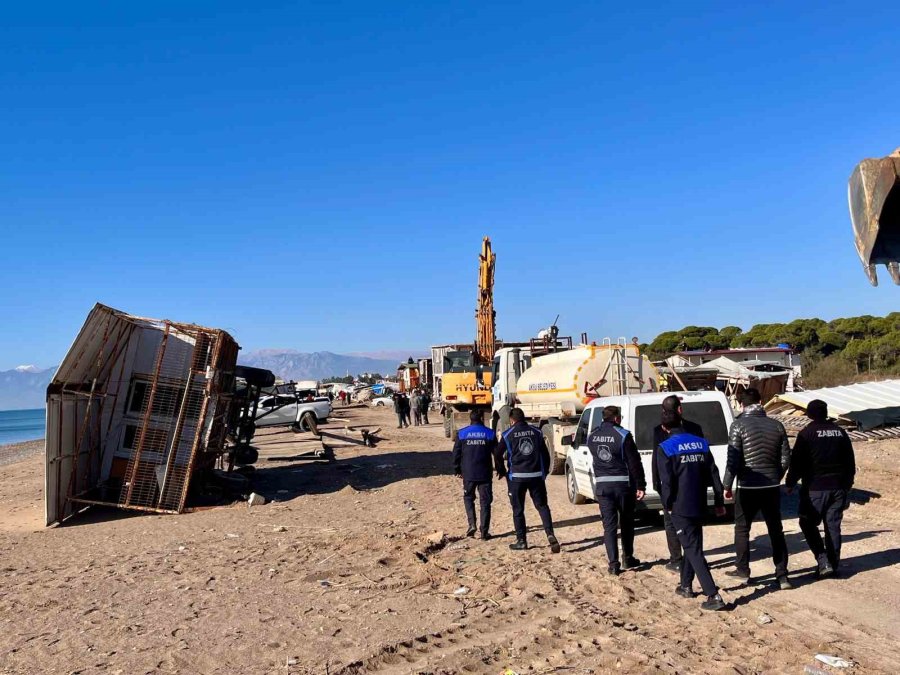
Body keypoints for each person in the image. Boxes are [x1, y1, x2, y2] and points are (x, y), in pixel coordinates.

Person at [657, 408, 727, 611]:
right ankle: (686, 585)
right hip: (700, 502)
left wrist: (667, 504)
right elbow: (714, 473)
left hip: (680, 505)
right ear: (682, 421)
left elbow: (667, 481)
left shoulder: (665, 447)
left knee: (693, 549)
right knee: (692, 544)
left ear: (664, 427)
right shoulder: (701, 443)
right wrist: (719, 501)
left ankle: (713, 595)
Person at [723, 388, 792, 590]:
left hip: (747, 486)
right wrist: (775, 476)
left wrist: (727, 484)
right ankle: (782, 575)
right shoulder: (777, 425)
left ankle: (743, 570)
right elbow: (786, 458)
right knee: (776, 530)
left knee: (742, 528)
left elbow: (733, 460)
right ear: (761, 401)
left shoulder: (738, 426)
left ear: (742, 405)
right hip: (771, 486)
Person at [785, 400, 856, 577]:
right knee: (833, 526)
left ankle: (823, 561)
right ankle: (833, 565)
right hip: (838, 487)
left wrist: (790, 483)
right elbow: (850, 461)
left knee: (807, 523)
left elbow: (797, 462)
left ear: (809, 414)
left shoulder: (807, 433)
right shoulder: (840, 432)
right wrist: (847, 484)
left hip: (815, 489)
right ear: (826, 413)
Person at [588, 405, 646, 575]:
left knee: (609, 526)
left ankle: (613, 564)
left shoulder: (592, 436)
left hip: (603, 486)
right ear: (616, 418)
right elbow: (634, 462)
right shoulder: (623, 435)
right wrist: (641, 485)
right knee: (627, 523)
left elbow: (595, 457)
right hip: (623, 486)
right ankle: (628, 557)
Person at [652, 395, 705, 573]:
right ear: (680, 409)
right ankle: (695, 557)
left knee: (671, 522)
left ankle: (677, 559)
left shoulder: (660, 430)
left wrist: (656, 482)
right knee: (695, 526)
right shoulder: (695, 428)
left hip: (671, 485)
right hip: (695, 485)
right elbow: (705, 459)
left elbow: (656, 459)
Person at [499, 407, 561, 553]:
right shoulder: (537, 432)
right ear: (524, 418)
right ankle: (550, 534)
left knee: (518, 509)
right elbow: (545, 455)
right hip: (536, 476)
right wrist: (544, 473)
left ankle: (521, 540)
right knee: (542, 506)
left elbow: (497, 453)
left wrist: (502, 471)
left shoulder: (508, 434)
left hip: (517, 478)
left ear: (512, 420)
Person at [452, 410, 504, 539]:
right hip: (485, 473)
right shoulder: (490, 433)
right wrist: (500, 468)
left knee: (468, 498)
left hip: (468, 473)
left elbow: (456, 454)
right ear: (482, 418)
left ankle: (472, 524)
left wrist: (457, 470)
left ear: (470, 419)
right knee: (485, 502)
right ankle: (484, 532)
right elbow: (497, 454)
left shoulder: (462, 433)